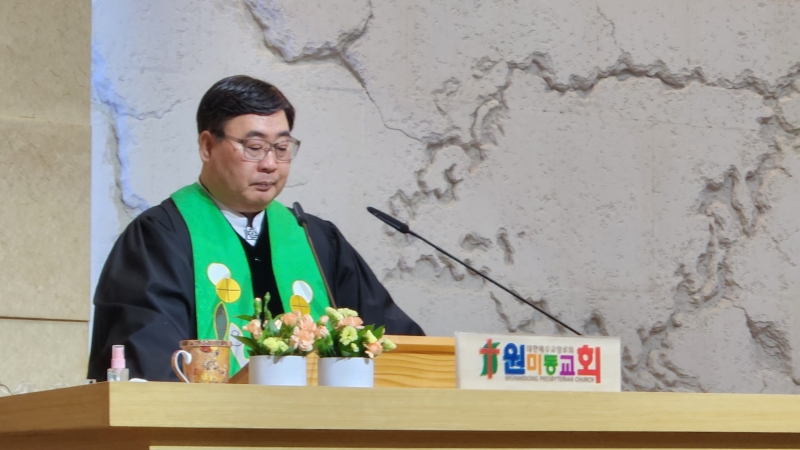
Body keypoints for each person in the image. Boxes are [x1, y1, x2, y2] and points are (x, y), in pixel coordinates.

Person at [88, 75, 424, 381]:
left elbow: (394, 342)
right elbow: (149, 357)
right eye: (254, 148)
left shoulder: (315, 240)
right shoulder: (160, 238)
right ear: (207, 146)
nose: (270, 164)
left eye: (282, 148)